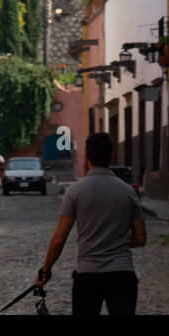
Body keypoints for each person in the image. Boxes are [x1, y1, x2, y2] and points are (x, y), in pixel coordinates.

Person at [34, 133, 145, 315]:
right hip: (122, 272)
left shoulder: (74, 192)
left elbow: (60, 239)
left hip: (87, 274)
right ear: (111, 156)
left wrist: (45, 271)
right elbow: (140, 238)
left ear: (86, 157)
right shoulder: (128, 192)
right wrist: (116, 241)